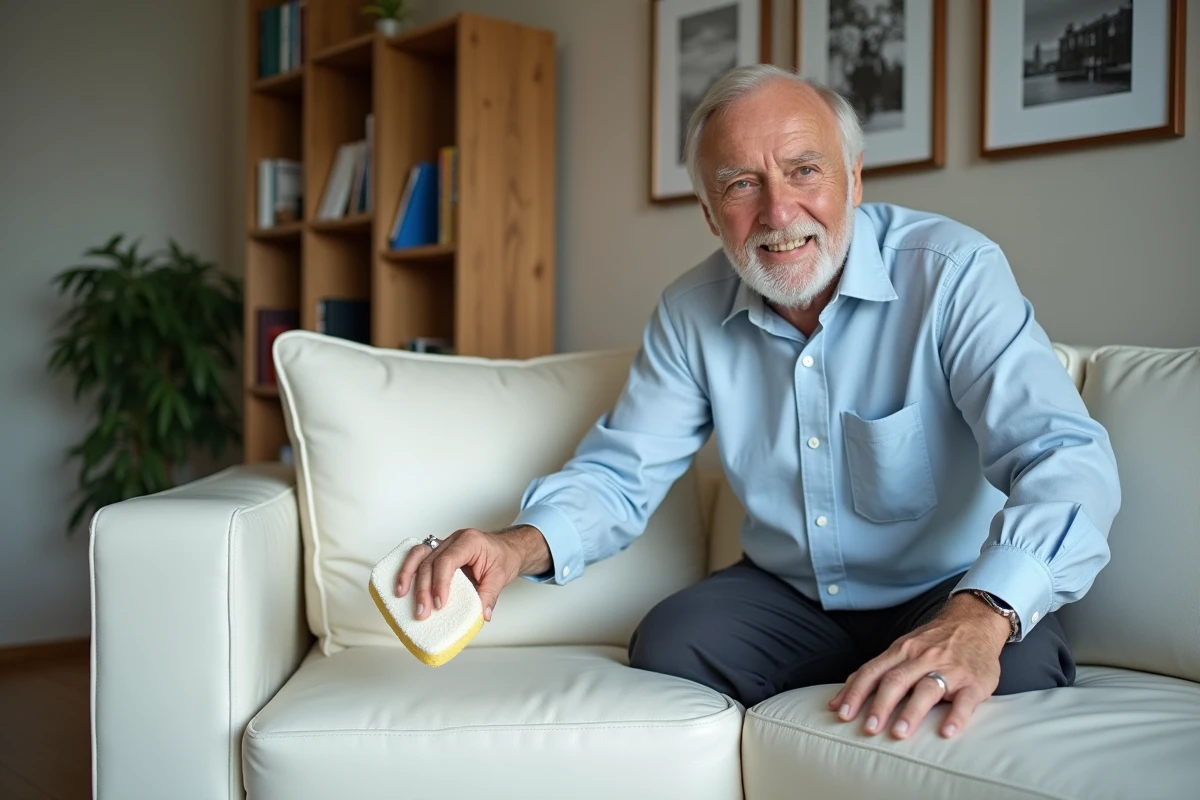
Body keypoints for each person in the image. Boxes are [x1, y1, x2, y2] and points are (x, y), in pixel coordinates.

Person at [392, 64, 1121, 742]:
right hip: (789, 597)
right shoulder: (688, 311)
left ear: (854, 180)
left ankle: (922, 657)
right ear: (711, 215)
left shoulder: (954, 274)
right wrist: (514, 547)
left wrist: (982, 613)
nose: (778, 210)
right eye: (740, 184)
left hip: (947, 585)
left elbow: (1063, 455)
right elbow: (622, 473)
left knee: (1016, 674)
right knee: (672, 642)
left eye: (805, 170)